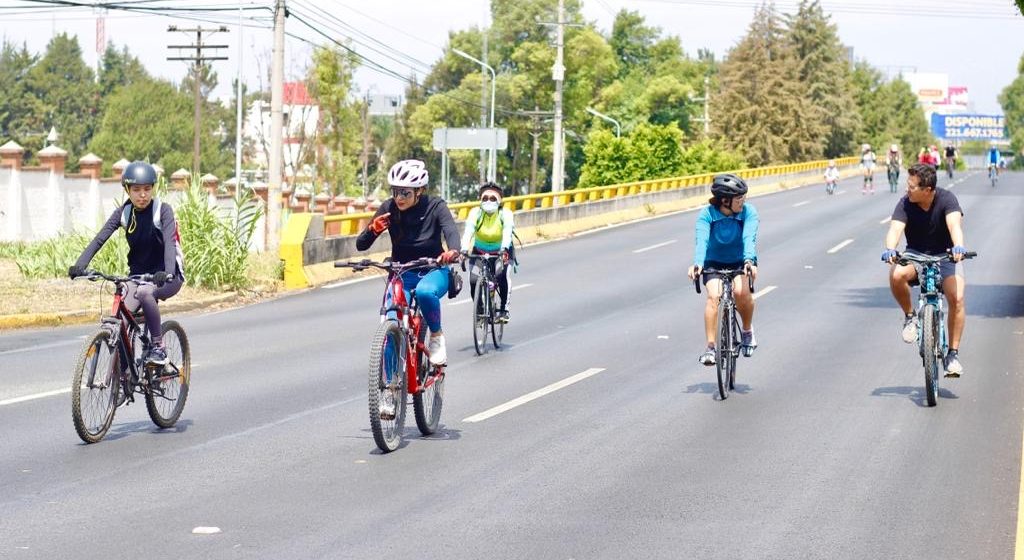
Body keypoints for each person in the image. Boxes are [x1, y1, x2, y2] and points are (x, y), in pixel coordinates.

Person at [68, 161, 185, 365]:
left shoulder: (162, 211)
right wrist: (80, 265)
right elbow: (99, 238)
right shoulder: (124, 212)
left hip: (168, 275)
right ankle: (123, 377)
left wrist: (167, 272)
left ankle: (158, 347)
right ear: (127, 190)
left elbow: (169, 243)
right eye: (136, 190)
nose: (142, 195)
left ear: (153, 189)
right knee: (121, 316)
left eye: (147, 189)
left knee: (145, 293)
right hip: (138, 276)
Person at [356, 159, 461, 365]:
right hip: (401, 273)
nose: (399, 198)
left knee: (424, 292)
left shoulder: (435, 206)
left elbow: (451, 231)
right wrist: (373, 229)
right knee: (390, 324)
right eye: (395, 191)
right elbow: (361, 244)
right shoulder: (388, 207)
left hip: (433, 270)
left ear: (419, 190)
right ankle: (391, 389)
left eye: (405, 192)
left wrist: (453, 251)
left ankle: (437, 336)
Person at [881, 163, 969, 376]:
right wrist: (890, 249)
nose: (907, 189)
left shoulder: (947, 199)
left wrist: (958, 247)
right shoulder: (905, 203)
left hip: (945, 256)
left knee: (956, 298)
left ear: (927, 190)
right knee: (896, 274)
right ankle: (910, 317)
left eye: (912, 187)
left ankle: (952, 354)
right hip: (915, 255)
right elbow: (895, 229)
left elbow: (954, 225)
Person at [687, 173, 759, 366]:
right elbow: (701, 240)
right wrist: (698, 263)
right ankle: (710, 347)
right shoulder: (707, 214)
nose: (743, 201)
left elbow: (749, 237)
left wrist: (749, 261)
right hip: (713, 262)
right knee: (713, 296)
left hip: (740, 261)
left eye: (743, 197)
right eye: (739, 198)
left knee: (740, 292)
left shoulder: (748, 212)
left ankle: (746, 331)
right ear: (725, 200)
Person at [460, 182, 515, 323]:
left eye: (492, 198)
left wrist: (503, 250)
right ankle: (479, 311)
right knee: (473, 280)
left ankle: (503, 309)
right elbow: (468, 232)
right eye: (485, 198)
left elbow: (508, 232)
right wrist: (464, 250)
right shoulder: (475, 213)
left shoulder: (505, 214)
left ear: (499, 201)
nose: (488, 201)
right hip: (479, 251)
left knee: (501, 275)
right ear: (480, 200)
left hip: (501, 252)